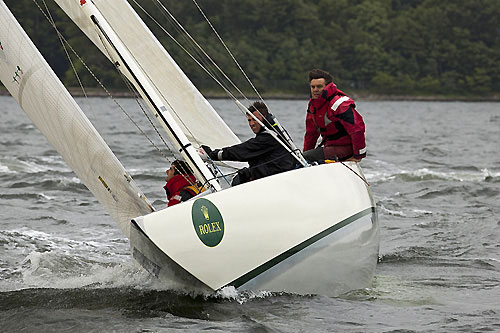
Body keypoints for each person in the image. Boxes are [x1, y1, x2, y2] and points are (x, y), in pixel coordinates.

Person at [202, 101, 296, 186]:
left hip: (279, 180)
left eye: (255, 119)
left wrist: (213, 154)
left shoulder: (270, 136)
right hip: (274, 175)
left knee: (238, 180)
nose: (251, 124)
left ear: (264, 118)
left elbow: (244, 150)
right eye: (249, 120)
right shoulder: (274, 130)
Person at [303, 69, 367, 163]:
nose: (315, 90)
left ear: (327, 87)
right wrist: (304, 156)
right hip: (330, 148)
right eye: (313, 87)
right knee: (303, 158)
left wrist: (358, 156)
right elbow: (311, 134)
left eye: (319, 86)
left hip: (346, 149)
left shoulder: (339, 105)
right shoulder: (313, 106)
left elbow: (357, 129)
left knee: (306, 157)